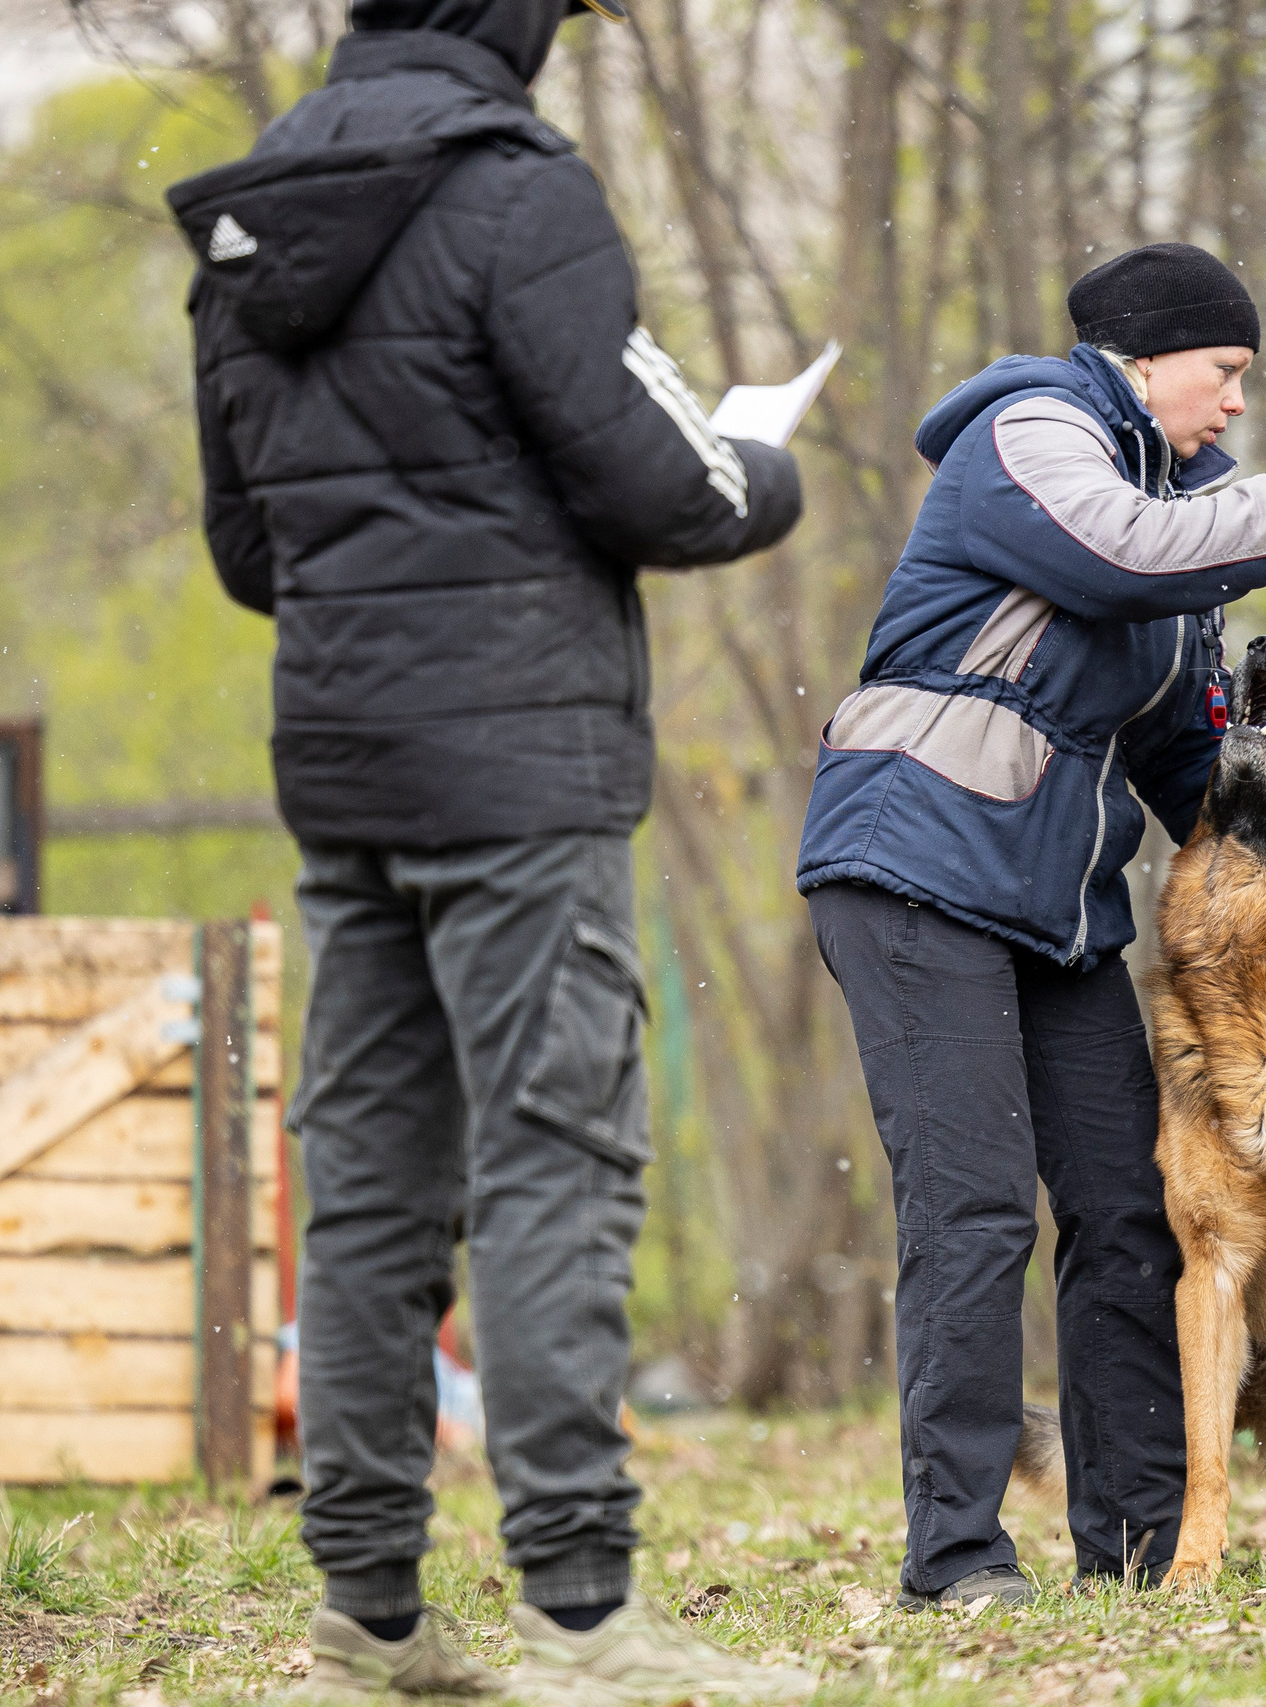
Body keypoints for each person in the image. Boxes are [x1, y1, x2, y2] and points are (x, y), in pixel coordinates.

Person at [169, 1, 810, 1696]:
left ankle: (369, 1612)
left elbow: (249, 548)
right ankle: (583, 1612)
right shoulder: (522, 193)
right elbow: (665, 485)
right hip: (522, 770)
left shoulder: (251, 221)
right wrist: (765, 464)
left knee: (374, 1187)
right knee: (554, 1163)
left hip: (347, 769)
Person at [796, 243, 1266, 1607]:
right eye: (1225, 371)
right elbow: (1117, 553)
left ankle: (1140, 1550)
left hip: (1053, 903)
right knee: (973, 1213)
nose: (1238, 401)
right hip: (914, 866)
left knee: (1131, 1208)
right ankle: (958, 1558)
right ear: (1144, 359)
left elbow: (1192, 767)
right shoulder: (1032, 434)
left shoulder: (1177, 529)